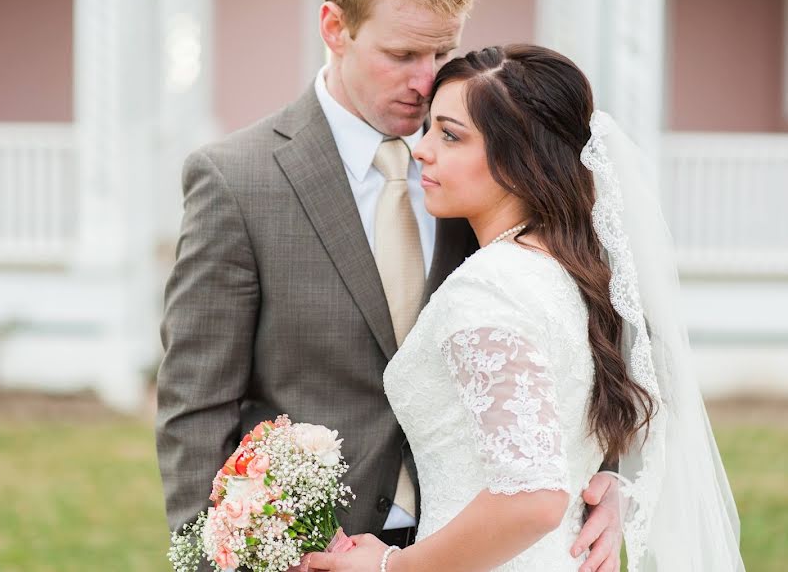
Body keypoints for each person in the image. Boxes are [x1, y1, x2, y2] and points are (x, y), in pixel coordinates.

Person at [156, 0, 622, 570]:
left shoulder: (489, 167)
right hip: (313, 548)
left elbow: (602, 339)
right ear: (335, 28)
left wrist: (608, 481)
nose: (426, 81)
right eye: (402, 55)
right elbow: (196, 403)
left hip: (482, 541)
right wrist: (216, 554)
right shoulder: (238, 180)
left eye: (441, 54)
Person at [308, 45, 744, 571]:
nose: (421, 150)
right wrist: (614, 484)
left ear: (520, 159)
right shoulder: (570, 273)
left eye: (449, 135)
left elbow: (532, 501)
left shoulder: (489, 289)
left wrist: (389, 568)